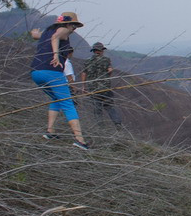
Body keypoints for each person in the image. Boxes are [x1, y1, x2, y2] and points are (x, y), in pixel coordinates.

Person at [30, 12, 89, 150]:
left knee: (56, 99)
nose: (74, 29)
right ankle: (79, 139)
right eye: (74, 26)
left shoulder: (47, 32)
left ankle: (50, 132)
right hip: (52, 72)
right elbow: (57, 36)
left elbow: (41, 37)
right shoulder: (63, 30)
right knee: (68, 103)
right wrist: (56, 55)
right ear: (67, 24)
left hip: (36, 72)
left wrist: (34, 35)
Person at [81, 42, 122, 128]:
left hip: (93, 89)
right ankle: (117, 123)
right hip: (105, 88)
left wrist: (84, 86)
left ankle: (101, 127)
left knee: (97, 109)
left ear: (94, 51)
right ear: (101, 50)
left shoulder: (87, 61)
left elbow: (84, 74)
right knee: (109, 106)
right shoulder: (106, 60)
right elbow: (110, 70)